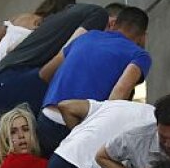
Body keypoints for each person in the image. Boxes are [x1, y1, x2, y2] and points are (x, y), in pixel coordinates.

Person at [38, 8, 151, 154]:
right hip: (80, 126)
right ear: (143, 36)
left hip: (47, 117)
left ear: (114, 23)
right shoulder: (139, 54)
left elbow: (45, 73)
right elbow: (120, 92)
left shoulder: (87, 37)